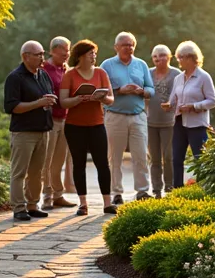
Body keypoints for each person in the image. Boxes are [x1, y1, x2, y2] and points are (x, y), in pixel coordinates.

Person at [59, 40, 117, 216]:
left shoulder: (101, 73)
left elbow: (111, 98)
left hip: (97, 124)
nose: (94, 57)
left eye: (95, 54)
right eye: (91, 53)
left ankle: (107, 203)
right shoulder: (69, 75)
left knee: (102, 164)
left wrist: (102, 98)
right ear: (81, 56)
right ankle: (83, 203)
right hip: (74, 126)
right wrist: (77, 100)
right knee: (79, 164)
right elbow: (63, 102)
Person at [4, 40, 57, 221]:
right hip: (23, 133)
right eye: (38, 54)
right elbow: (12, 107)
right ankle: (19, 208)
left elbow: (46, 96)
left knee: (37, 172)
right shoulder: (15, 77)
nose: (42, 57)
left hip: (43, 130)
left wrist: (49, 101)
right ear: (25, 56)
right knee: (20, 172)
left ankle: (33, 205)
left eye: (43, 53)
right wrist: (38, 103)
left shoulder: (43, 75)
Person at [100, 31, 155, 204]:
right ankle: (116, 192)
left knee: (140, 155)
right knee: (115, 157)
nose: (128, 48)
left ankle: (142, 191)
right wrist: (119, 91)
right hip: (115, 115)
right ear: (116, 47)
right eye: (124, 45)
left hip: (138, 115)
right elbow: (101, 91)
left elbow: (151, 89)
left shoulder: (141, 65)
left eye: (131, 44)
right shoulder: (107, 65)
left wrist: (142, 91)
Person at [162, 40, 215, 189]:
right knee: (176, 158)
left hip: (197, 124)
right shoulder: (178, 78)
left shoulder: (203, 77)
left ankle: (203, 189)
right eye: (178, 57)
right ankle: (177, 189)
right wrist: (168, 105)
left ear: (191, 58)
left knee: (199, 158)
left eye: (181, 57)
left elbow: (212, 101)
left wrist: (194, 106)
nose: (179, 60)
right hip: (180, 122)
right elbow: (173, 99)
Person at [41, 36, 76, 210]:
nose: (67, 55)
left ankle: (58, 195)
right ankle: (47, 197)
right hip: (50, 120)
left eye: (68, 51)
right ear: (53, 51)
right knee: (46, 161)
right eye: (64, 52)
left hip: (65, 119)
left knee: (59, 160)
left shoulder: (67, 69)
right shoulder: (44, 69)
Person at [147, 44, 181, 199]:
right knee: (154, 158)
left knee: (168, 156)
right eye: (155, 56)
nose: (158, 58)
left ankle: (169, 186)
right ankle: (156, 189)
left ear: (169, 57)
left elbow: (183, 95)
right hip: (150, 122)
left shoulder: (177, 74)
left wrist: (173, 105)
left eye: (161, 55)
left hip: (170, 122)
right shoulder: (147, 73)